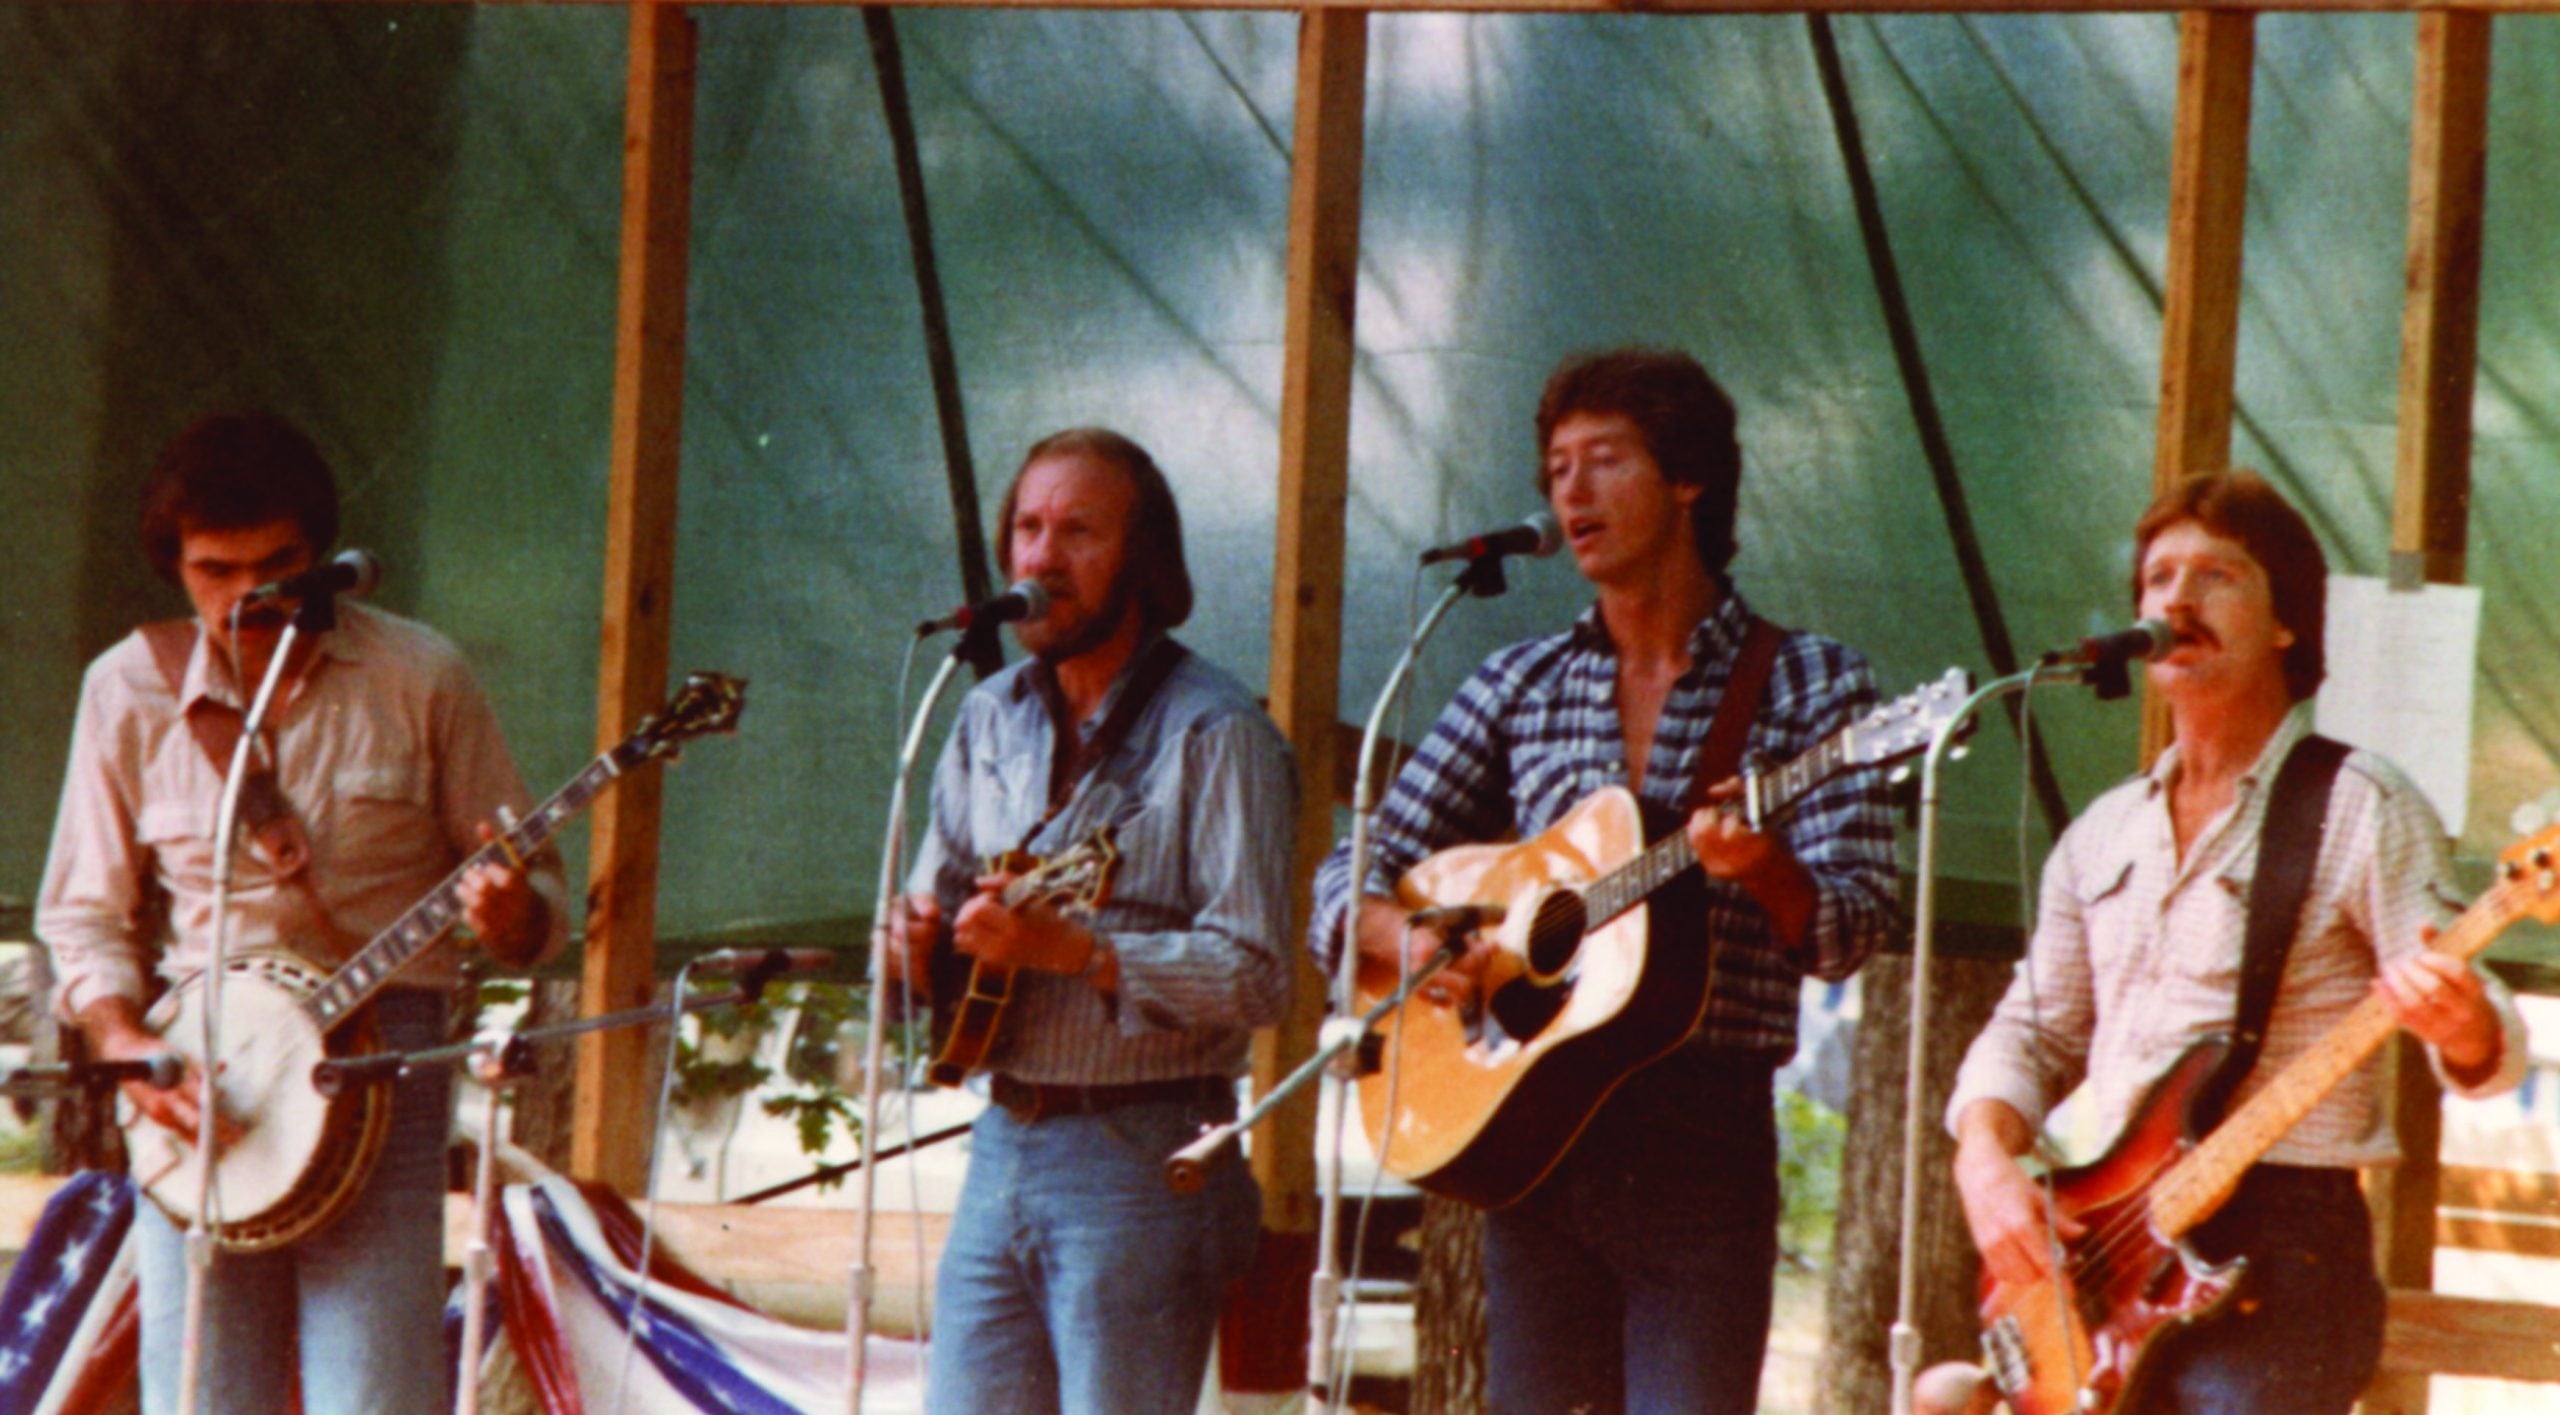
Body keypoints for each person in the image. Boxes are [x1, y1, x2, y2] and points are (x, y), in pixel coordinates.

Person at [1308, 347, 1903, 1413]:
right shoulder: (1518, 680)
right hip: (1532, 1134)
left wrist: (1766, 869)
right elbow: (1354, 866)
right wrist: (1403, 940)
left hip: (1699, 1143)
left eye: (1604, 460)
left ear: (1687, 478)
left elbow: (1853, 925)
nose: (1570, 492)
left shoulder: (1814, 682)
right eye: (1555, 469)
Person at [1944, 471, 2527, 1412]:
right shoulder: (2101, 832)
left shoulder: (2359, 804)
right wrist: (1982, 1155)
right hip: (2106, 1245)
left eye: (2218, 576)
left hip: (2287, 1252)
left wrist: (2465, 1028)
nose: (2178, 599)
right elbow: (2032, 1031)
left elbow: (2479, 1021)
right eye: (2159, 578)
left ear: (2286, 621)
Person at [36, 411, 567, 1414]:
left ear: (323, 555)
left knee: (369, 1392)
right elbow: (83, 910)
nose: (250, 599)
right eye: (215, 571)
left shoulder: (421, 675)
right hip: (198, 1071)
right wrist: (120, 1040)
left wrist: (508, 919)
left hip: (382, 1053)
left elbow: (539, 896)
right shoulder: (126, 689)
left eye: (278, 567)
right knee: (199, 1394)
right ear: (173, 566)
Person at [879, 427, 1297, 1415]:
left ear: (1141, 560)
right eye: (1026, 527)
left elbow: (1258, 971)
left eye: (1077, 531)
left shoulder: (1216, 729)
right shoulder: (985, 716)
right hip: (1001, 1139)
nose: (1039, 557)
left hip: (1142, 1156)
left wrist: (1082, 950)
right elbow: (931, 906)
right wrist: (911, 946)